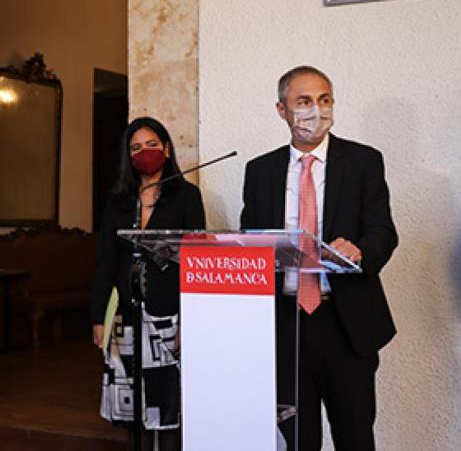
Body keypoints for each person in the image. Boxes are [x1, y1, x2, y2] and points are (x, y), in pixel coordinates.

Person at [239, 65, 398, 451]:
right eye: (304, 101)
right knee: (297, 441)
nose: (316, 110)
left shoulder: (363, 161)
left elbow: (383, 232)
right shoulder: (260, 170)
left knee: (355, 437)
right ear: (282, 110)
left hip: (346, 322)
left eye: (324, 100)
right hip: (285, 324)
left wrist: (361, 250)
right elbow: (249, 240)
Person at [90, 116, 206, 450]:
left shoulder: (187, 197)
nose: (145, 153)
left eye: (152, 145)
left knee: (166, 399)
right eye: (136, 148)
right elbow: (105, 263)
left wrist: (190, 319)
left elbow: (194, 261)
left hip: (168, 312)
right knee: (131, 405)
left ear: (167, 149)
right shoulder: (118, 201)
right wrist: (98, 317)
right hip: (125, 313)